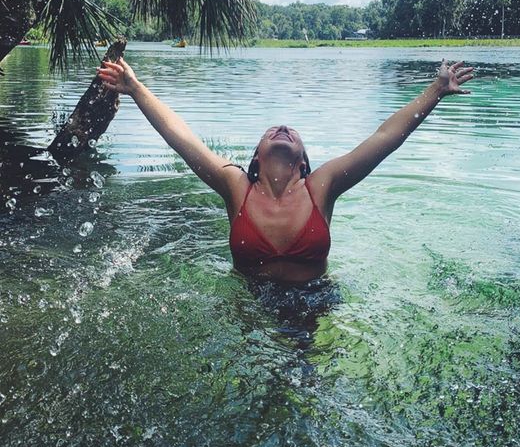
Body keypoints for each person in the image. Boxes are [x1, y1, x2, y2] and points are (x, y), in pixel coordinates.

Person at [97, 56, 474, 284]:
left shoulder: (321, 186)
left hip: (315, 301)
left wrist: (434, 91)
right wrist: (137, 89)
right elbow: (184, 139)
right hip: (248, 302)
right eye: (272, 131)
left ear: (303, 161)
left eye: (292, 131)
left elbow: (384, 137)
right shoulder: (236, 185)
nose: (283, 128)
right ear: (256, 158)